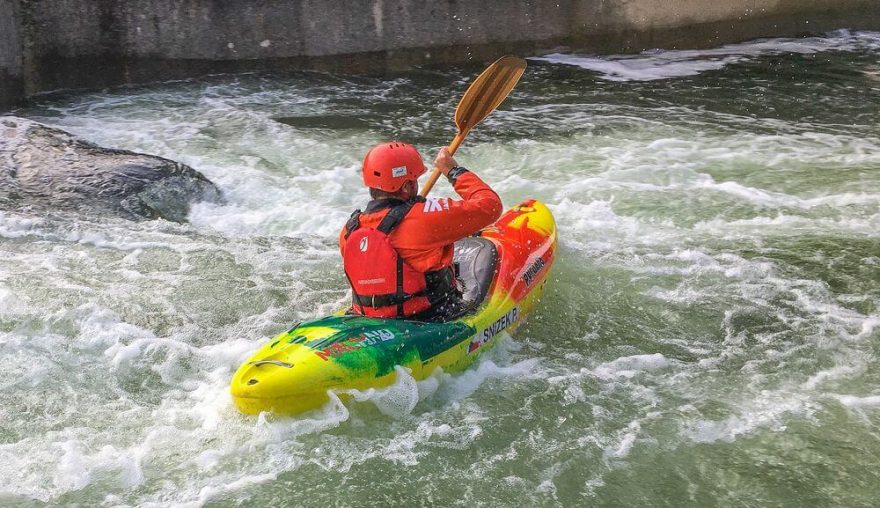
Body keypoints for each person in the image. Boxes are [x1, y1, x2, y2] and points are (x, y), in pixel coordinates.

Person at [339, 141, 502, 321]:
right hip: (427, 317)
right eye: (414, 180)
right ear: (407, 187)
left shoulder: (349, 230)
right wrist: (453, 171)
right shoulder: (422, 218)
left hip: (368, 318)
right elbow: (491, 206)